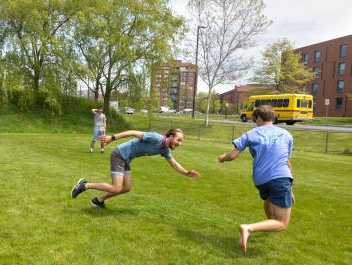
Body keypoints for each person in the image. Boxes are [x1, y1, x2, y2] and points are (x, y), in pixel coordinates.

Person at [218, 105, 295, 251]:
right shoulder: (287, 135)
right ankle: (249, 228)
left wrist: (222, 158)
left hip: (261, 180)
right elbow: (287, 163)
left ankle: (268, 224)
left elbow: (232, 155)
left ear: (259, 118)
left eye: (255, 120)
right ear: (272, 118)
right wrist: (289, 187)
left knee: (269, 199)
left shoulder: (250, 134)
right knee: (282, 223)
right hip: (280, 177)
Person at [71, 128, 200, 208]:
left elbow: (174, 163)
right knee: (116, 187)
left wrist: (185, 172)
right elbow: (133, 132)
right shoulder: (156, 138)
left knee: (126, 188)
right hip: (119, 154)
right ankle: (84, 185)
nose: (179, 144)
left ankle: (98, 200)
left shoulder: (164, 148)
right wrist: (112, 138)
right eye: (178, 140)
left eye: (181, 141)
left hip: (127, 158)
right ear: (171, 137)